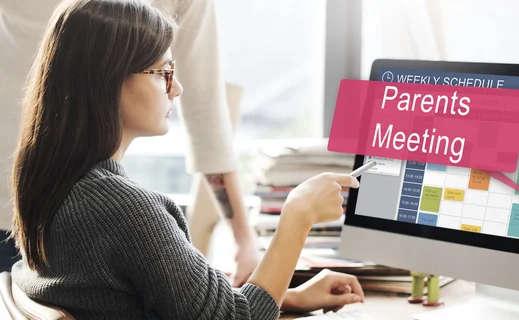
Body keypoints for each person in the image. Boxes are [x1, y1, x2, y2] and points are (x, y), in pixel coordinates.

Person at [8, 0, 364, 319]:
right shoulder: (123, 211)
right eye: (162, 73)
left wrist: (287, 296)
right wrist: (298, 215)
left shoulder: (54, 187)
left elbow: (173, 299)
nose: (176, 87)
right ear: (108, 80)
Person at [0, 0, 261, 284]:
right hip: (41, 214)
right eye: (163, 73)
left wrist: (243, 240)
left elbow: (206, 119)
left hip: (36, 204)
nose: (175, 88)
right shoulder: (133, 214)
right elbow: (206, 116)